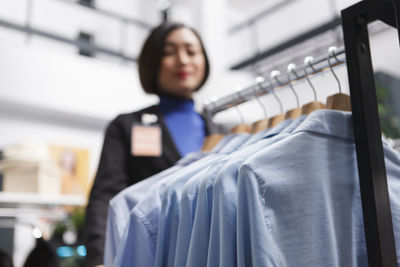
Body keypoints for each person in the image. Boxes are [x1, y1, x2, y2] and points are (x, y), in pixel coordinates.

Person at [83, 22, 210, 267]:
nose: (183, 60)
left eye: (192, 51)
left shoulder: (221, 132)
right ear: (152, 62)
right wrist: (99, 258)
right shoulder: (127, 126)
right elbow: (105, 197)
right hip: (150, 254)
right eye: (169, 52)